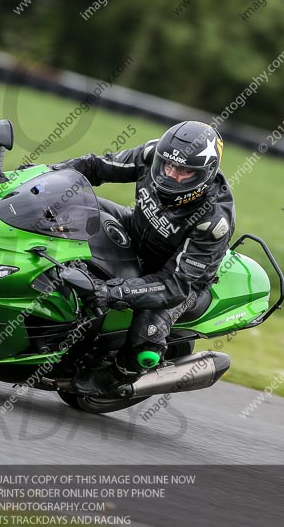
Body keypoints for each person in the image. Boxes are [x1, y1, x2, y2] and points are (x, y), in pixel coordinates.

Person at [51, 121, 235, 395]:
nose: (171, 176)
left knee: (146, 335)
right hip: (135, 227)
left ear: (206, 174)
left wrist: (112, 291)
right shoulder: (153, 156)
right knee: (70, 203)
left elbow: (175, 286)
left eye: (184, 172)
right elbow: (95, 166)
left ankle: (118, 376)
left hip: (175, 278)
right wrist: (45, 175)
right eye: (169, 166)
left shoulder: (213, 220)